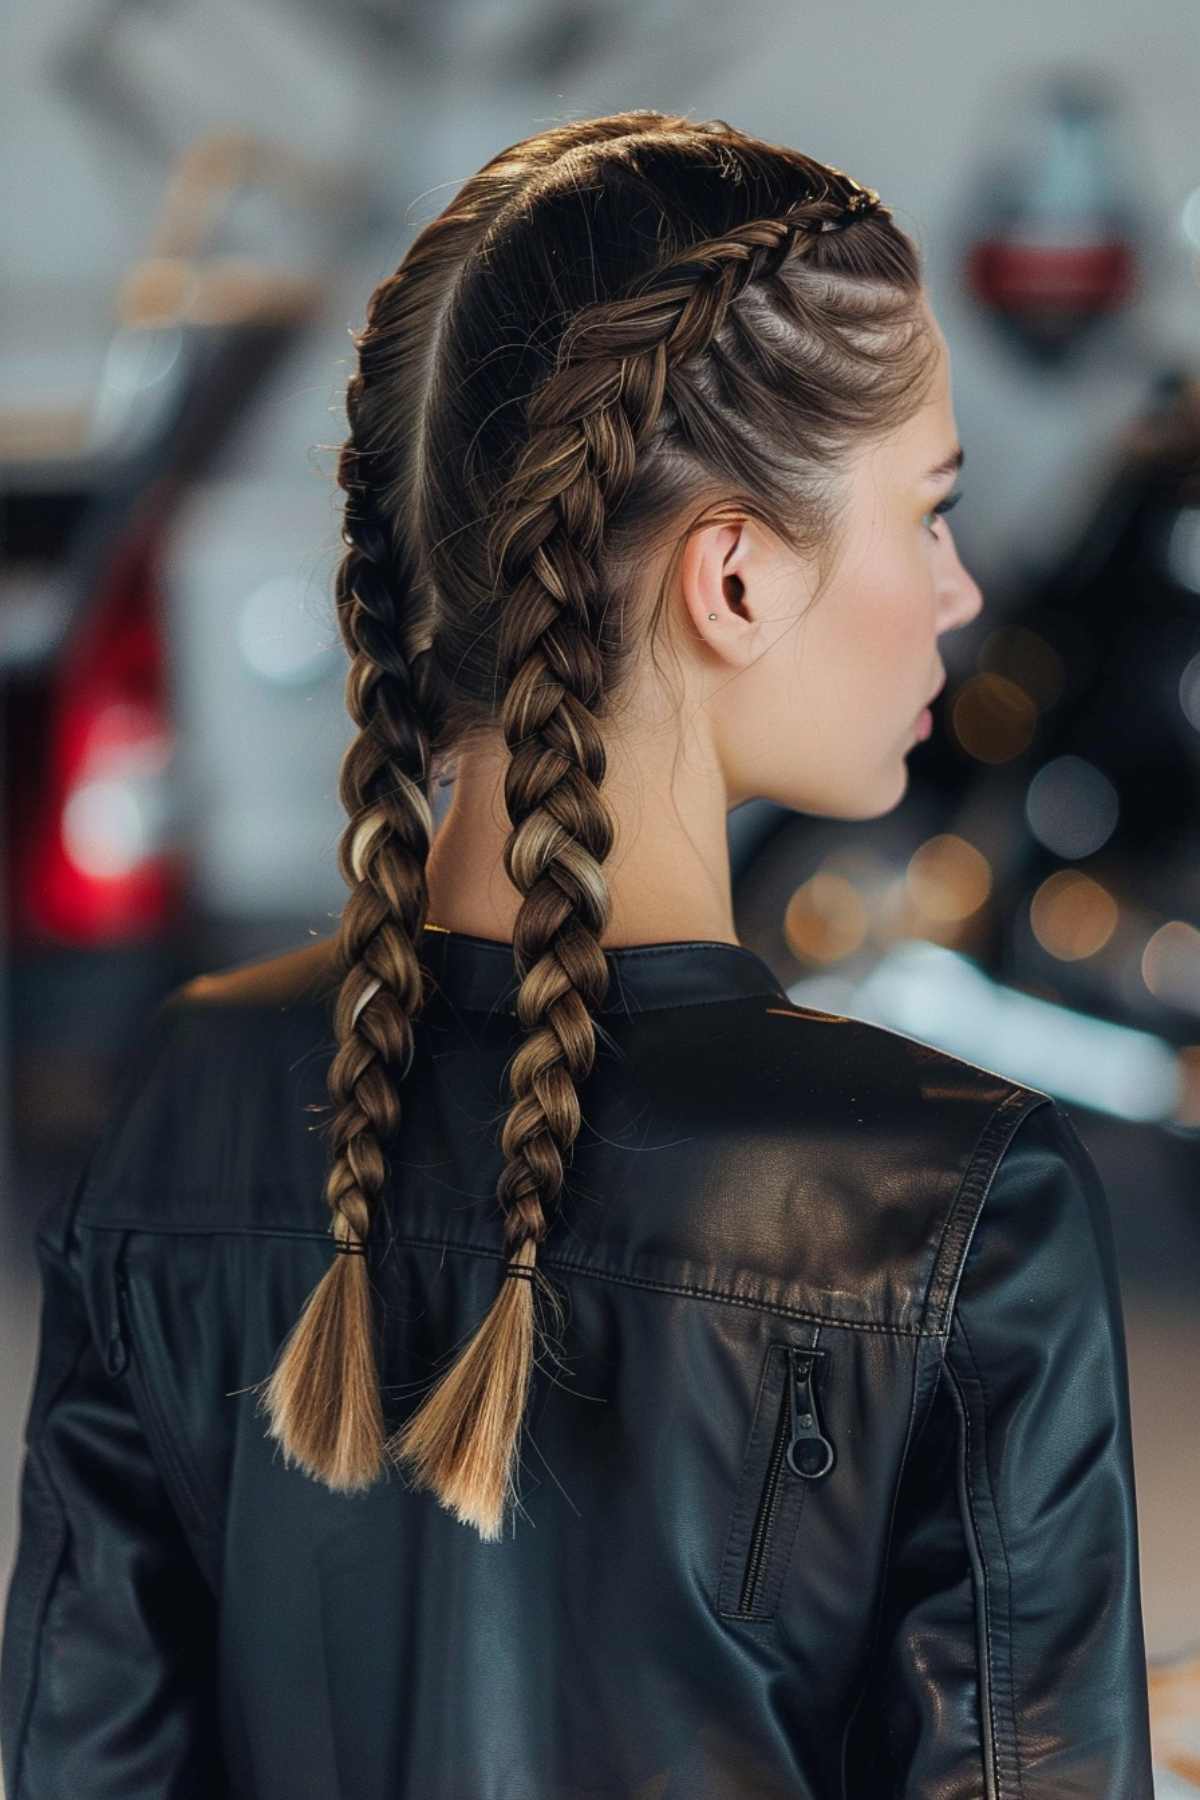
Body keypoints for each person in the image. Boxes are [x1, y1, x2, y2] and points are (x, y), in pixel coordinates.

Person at [0, 110, 1154, 1799]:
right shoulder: (961, 1210)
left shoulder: (187, 1104)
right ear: (735, 580)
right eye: (929, 512)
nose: (961, 590)